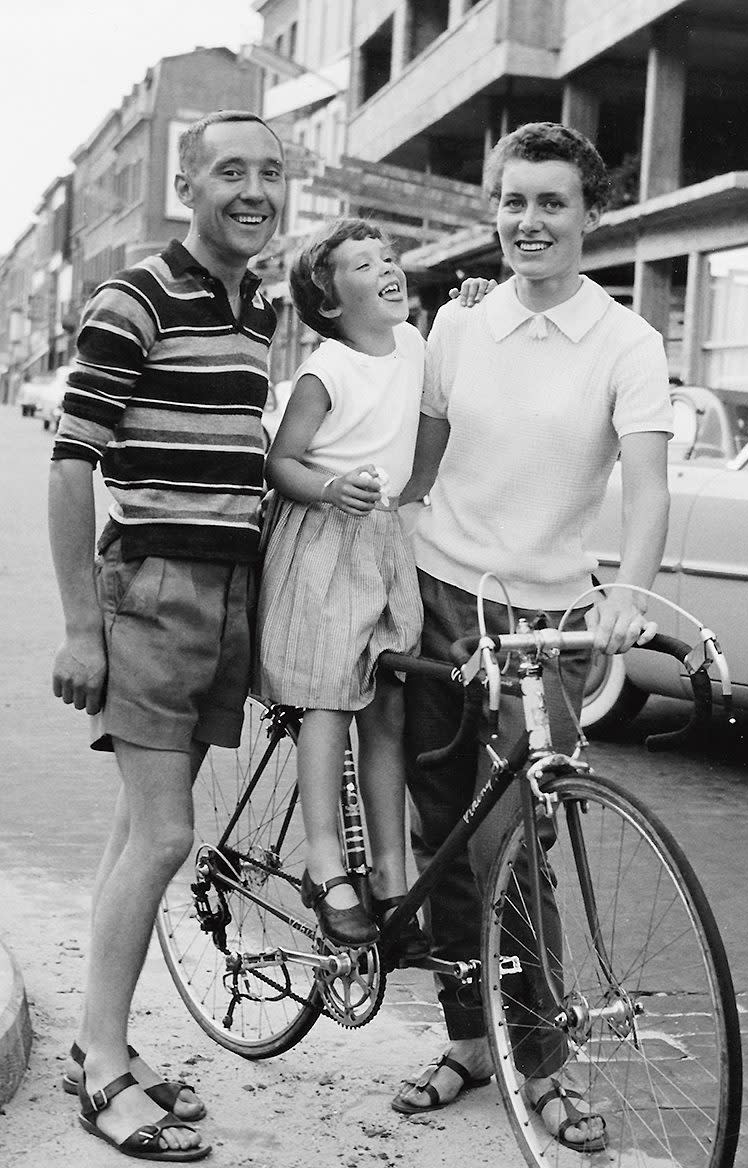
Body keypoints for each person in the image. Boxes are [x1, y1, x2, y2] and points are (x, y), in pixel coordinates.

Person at [393, 122, 672, 1148]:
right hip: (436, 595)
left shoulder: (628, 341)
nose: (528, 220)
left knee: (519, 839)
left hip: (546, 621)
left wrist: (627, 592)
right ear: (493, 208)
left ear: (591, 214)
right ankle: (472, 1039)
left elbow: (647, 485)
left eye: (552, 201)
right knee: (443, 833)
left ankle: (544, 1058)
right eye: (513, 200)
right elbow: (418, 469)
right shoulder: (459, 325)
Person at [48, 109, 286, 1161]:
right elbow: (70, 461)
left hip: (225, 593)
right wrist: (79, 627)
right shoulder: (135, 295)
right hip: (148, 594)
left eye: (270, 173)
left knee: (132, 833)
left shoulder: (256, 308)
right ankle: (103, 1067)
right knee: (165, 834)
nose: (252, 189)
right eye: (230, 169)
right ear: (186, 182)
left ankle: (105, 1041)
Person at [257, 219, 490, 956]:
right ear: (330, 303)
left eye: (388, 256)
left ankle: (392, 869)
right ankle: (324, 858)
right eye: (363, 263)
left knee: (384, 700)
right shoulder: (325, 370)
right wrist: (331, 487)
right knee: (330, 695)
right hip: (325, 532)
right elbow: (281, 461)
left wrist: (472, 302)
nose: (387, 266)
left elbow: (440, 400)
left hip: (386, 537)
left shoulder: (418, 343)